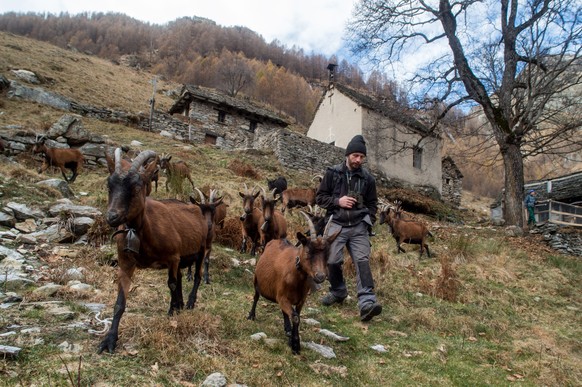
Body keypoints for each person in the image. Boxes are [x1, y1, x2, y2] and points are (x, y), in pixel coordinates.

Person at [316, 134, 382, 322]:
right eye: (355, 156)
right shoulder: (333, 173)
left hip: (359, 226)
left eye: (361, 157)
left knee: (362, 261)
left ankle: (367, 303)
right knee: (332, 261)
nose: (358, 160)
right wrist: (338, 201)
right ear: (347, 155)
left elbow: (373, 203)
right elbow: (320, 198)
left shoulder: (368, 179)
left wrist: (368, 219)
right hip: (336, 224)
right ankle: (338, 291)